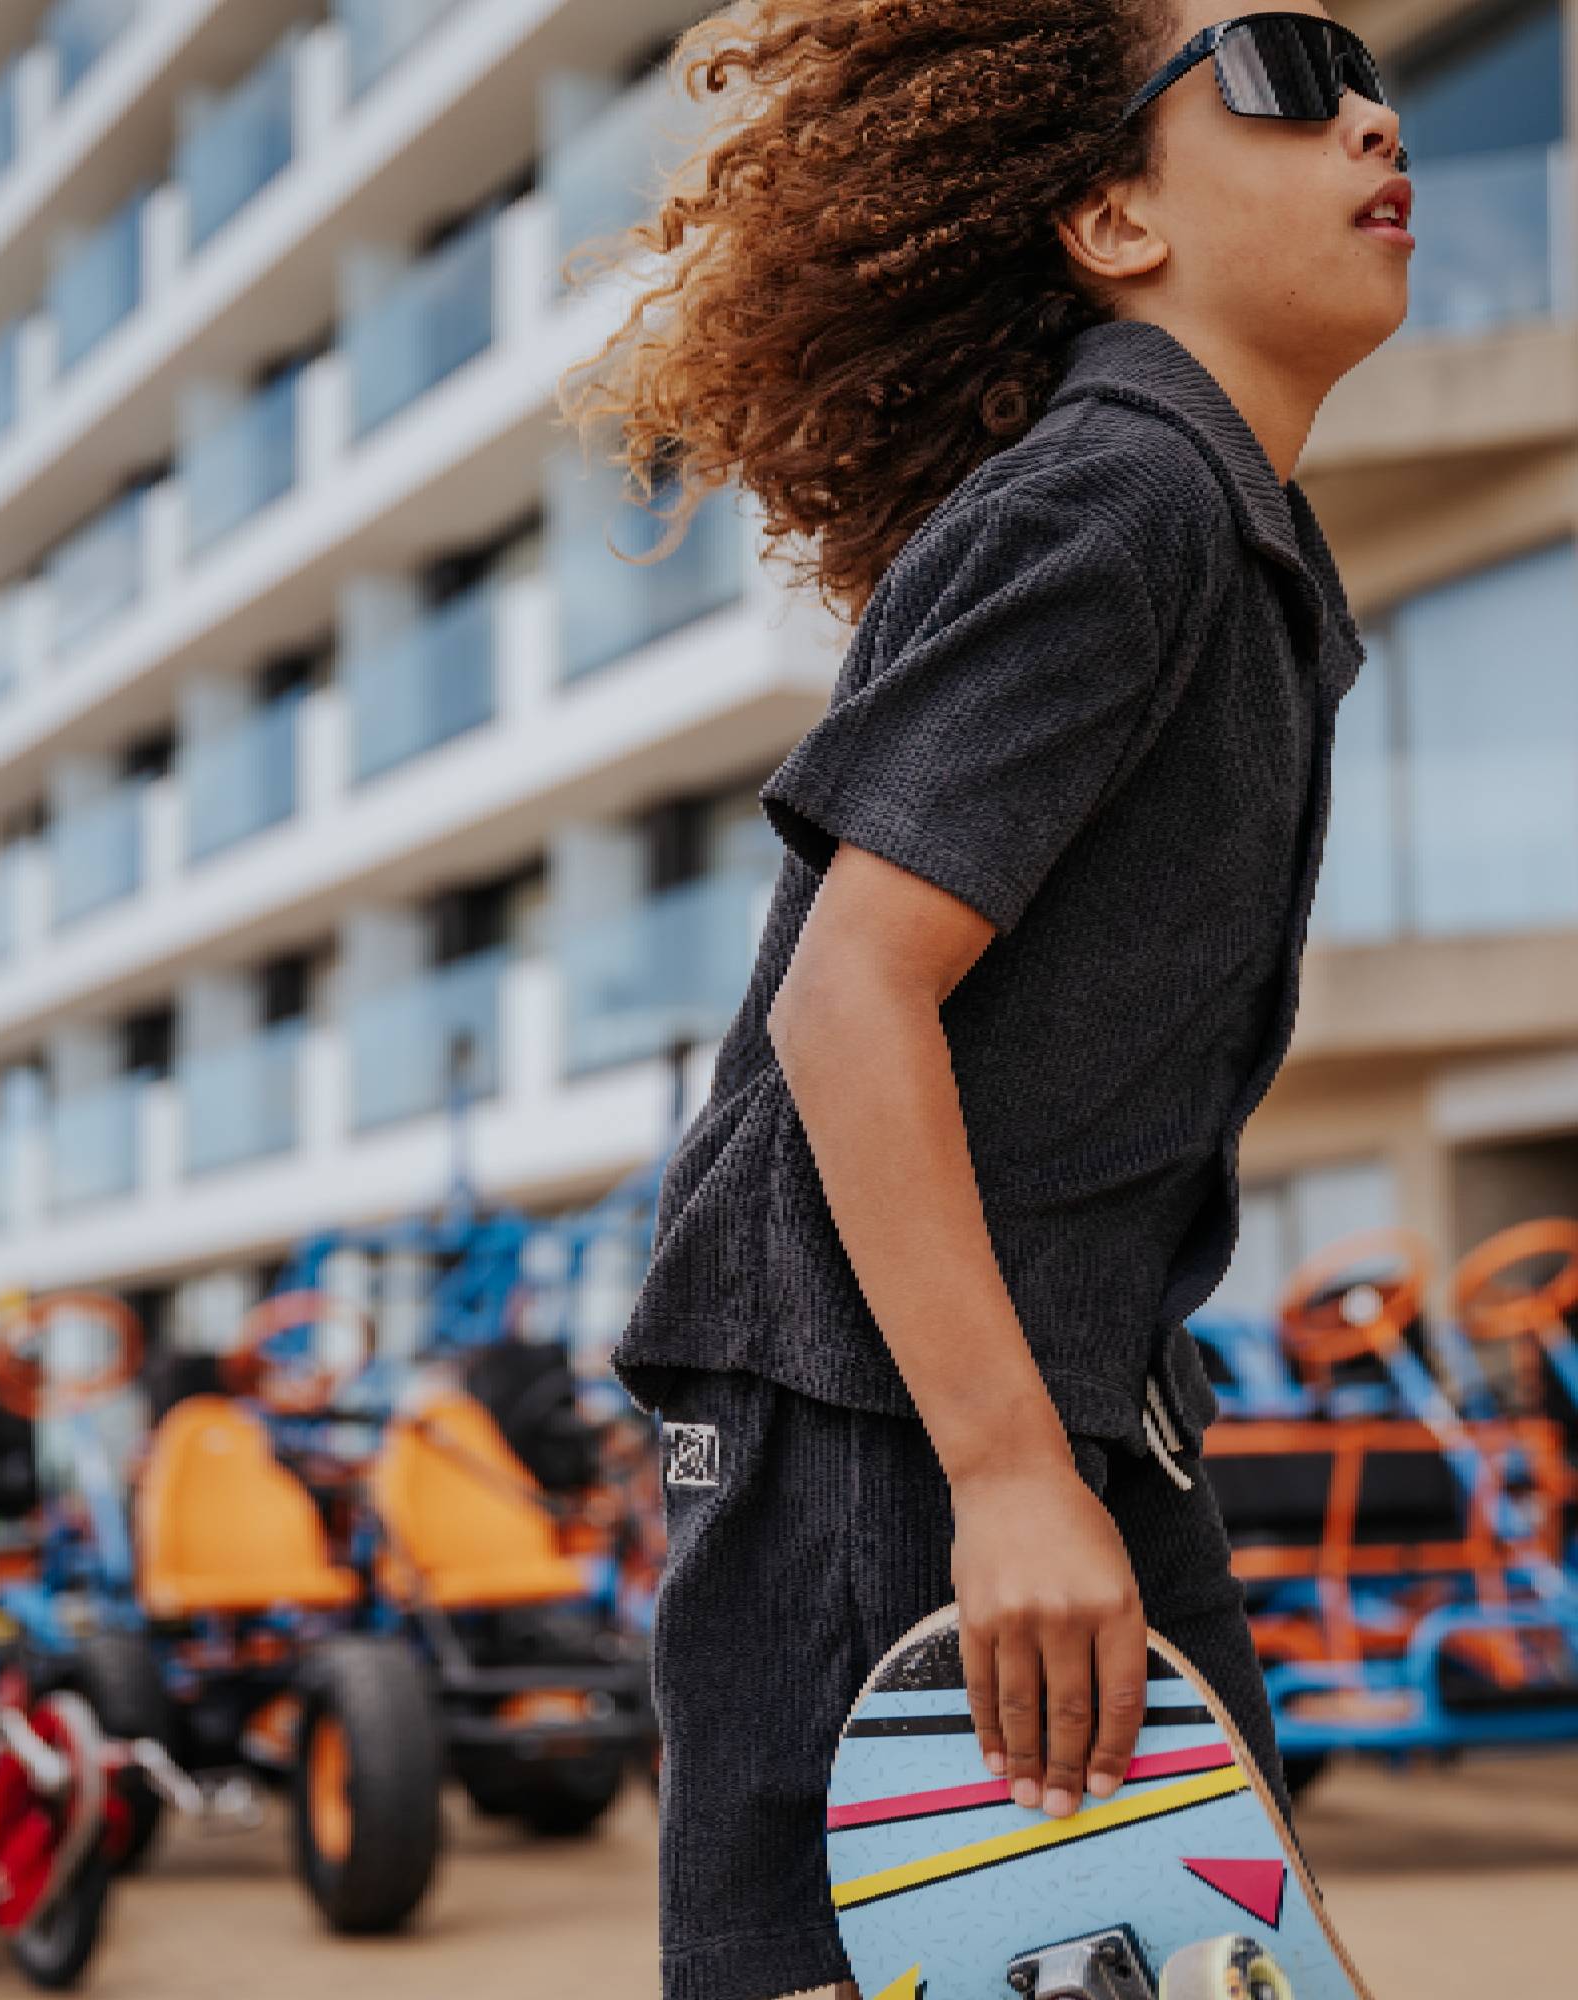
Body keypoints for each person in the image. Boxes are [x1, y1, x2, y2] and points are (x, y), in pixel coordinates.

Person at [556, 7, 1411, 1999]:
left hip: (1058, 1386)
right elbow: (848, 995)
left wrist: (1055, 1446)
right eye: (1282, 72)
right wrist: (1008, 1472)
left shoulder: (1224, 526)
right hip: (883, 1408)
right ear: (1110, 215)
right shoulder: (1116, 498)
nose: (1369, 107)